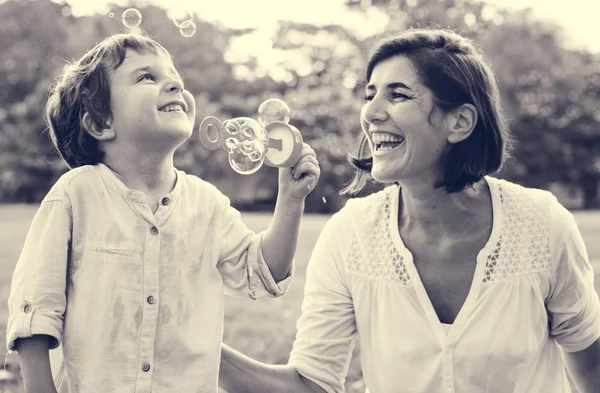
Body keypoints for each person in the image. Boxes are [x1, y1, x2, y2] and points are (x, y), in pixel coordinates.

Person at [219, 28, 600, 393]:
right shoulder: (349, 234)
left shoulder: (543, 225)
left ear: (460, 122)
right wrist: (193, 344)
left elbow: (592, 367)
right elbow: (312, 385)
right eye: (370, 95)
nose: (370, 113)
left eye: (397, 95)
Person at [6, 33, 320, 393]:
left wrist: (291, 199)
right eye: (146, 77)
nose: (174, 84)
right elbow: (35, 311)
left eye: (175, 78)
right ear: (100, 123)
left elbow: (264, 271)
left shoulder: (207, 203)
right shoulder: (76, 194)